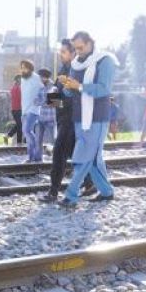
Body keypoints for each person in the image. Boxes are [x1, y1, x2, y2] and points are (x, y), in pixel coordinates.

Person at [57, 31, 116, 207]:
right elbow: (66, 93)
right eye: (75, 48)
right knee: (92, 158)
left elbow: (104, 89)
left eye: (80, 48)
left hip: (95, 117)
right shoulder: (74, 64)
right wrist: (67, 86)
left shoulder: (105, 60)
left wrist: (79, 86)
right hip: (77, 116)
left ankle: (71, 195)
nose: (78, 52)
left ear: (91, 43)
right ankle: (107, 192)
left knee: (83, 157)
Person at [40, 40, 93, 203]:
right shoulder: (63, 70)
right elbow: (58, 99)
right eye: (60, 51)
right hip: (63, 118)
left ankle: (53, 191)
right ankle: (90, 182)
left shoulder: (78, 71)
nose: (60, 54)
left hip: (72, 118)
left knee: (59, 153)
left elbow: (79, 95)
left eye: (63, 51)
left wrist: (60, 95)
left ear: (73, 53)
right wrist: (53, 95)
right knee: (72, 153)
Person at [20, 60, 44, 162]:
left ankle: (34, 155)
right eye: (21, 67)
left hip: (33, 110)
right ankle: (32, 157)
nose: (23, 69)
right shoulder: (22, 79)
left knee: (27, 131)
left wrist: (40, 100)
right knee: (26, 133)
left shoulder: (36, 78)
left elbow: (43, 90)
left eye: (25, 67)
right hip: (24, 110)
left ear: (30, 68)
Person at [36, 69, 56, 147]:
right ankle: (37, 158)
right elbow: (35, 101)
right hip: (40, 117)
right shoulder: (39, 87)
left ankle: (54, 156)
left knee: (52, 140)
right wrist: (45, 101)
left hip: (50, 118)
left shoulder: (53, 87)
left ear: (45, 77)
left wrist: (42, 102)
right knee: (38, 139)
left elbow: (55, 103)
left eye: (40, 77)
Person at [4, 76, 23, 145]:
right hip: (18, 109)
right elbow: (21, 99)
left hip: (15, 109)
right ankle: (19, 143)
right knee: (20, 126)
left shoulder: (13, 88)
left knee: (19, 125)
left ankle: (7, 136)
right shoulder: (18, 88)